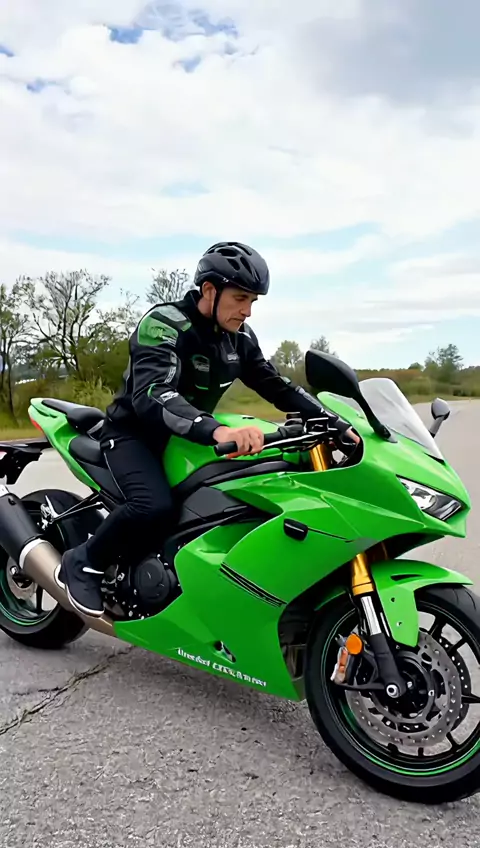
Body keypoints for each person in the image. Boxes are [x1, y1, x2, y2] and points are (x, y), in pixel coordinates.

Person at [56, 241, 359, 618]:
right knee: (153, 506)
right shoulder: (165, 324)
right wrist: (216, 430)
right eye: (240, 298)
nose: (247, 310)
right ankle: (83, 561)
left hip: (186, 439)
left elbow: (276, 385)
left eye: (253, 301)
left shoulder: (240, 337)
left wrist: (337, 423)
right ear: (210, 290)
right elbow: (154, 393)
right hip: (133, 434)